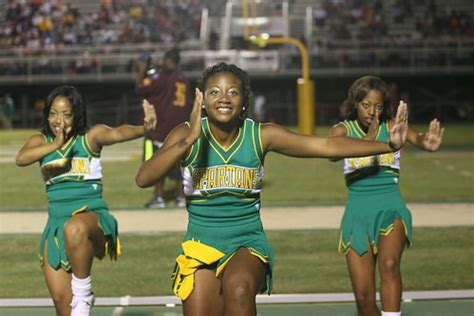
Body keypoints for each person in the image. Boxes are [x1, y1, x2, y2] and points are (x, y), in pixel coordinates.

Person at [135, 63, 409, 316]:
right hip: (200, 244)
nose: (224, 98)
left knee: (238, 289)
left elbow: (325, 146)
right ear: (202, 99)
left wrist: (387, 145)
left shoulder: (260, 134)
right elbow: (144, 178)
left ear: (244, 101)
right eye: (215, 91)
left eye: (233, 92)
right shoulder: (185, 134)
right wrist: (190, 140)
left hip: (247, 242)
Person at [15, 85, 156, 316]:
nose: (58, 120)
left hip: (91, 221)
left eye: (66, 114)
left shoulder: (90, 137)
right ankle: (78, 300)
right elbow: (21, 159)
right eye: (53, 113)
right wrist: (54, 145)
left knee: (75, 228)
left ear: (77, 114)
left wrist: (144, 128)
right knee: (63, 304)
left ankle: (84, 293)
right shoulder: (40, 141)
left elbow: (117, 133)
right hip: (56, 227)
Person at [329, 76, 444, 316]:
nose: (372, 111)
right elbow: (332, 152)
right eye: (366, 105)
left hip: (390, 207)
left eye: (378, 106)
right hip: (357, 214)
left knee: (390, 265)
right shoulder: (342, 130)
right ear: (355, 103)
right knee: (363, 298)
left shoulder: (392, 127)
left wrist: (426, 141)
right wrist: (369, 139)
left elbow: (417, 138)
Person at [135, 47, 192, 208]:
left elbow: (140, 88)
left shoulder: (163, 77)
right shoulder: (183, 78)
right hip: (179, 129)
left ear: (169, 59)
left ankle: (159, 197)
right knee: (179, 165)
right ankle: (180, 197)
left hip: (161, 129)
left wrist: (141, 70)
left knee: (155, 162)